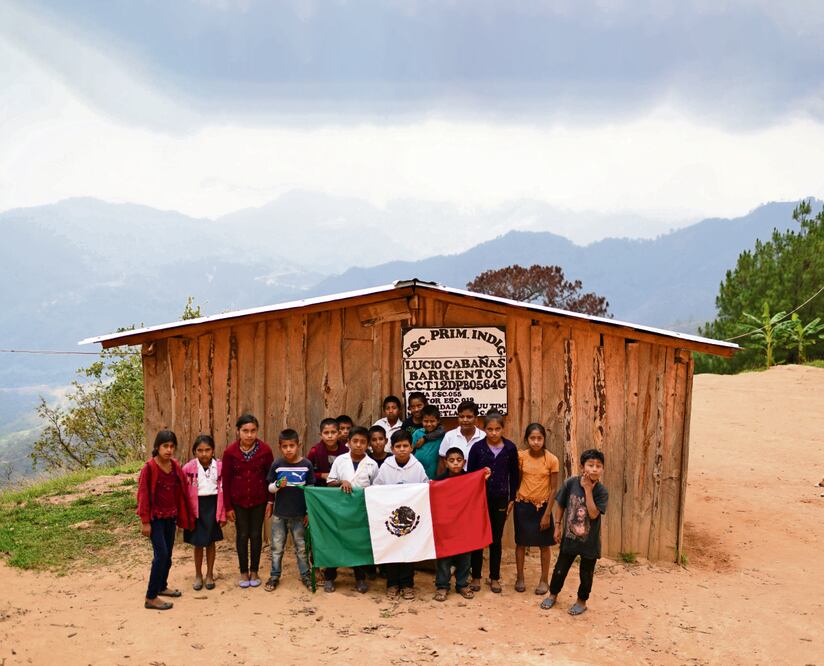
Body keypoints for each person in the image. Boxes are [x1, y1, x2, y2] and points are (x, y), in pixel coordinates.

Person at [540, 449, 609, 616]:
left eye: (598, 466)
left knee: (586, 574)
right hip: (570, 538)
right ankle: (553, 594)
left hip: (589, 542)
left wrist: (587, 490)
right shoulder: (570, 483)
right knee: (560, 569)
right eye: (590, 465)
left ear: (602, 469)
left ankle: (581, 601)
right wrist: (557, 526)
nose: (594, 469)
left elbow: (593, 514)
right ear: (582, 466)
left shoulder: (601, 492)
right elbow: (562, 505)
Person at [136, 430, 194, 610]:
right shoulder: (149, 468)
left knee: (168, 555)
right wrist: (145, 521)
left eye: (172, 446)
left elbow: (182, 489)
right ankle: (150, 597)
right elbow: (143, 495)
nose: (169, 450)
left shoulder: (175, 466)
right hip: (155, 519)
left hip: (171, 516)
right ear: (157, 447)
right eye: (165, 446)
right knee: (160, 556)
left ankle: (162, 586)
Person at [467, 411, 519, 593]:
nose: (494, 433)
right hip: (479, 499)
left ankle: (494, 577)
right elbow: (469, 475)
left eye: (497, 429)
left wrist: (512, 498)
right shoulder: (477, 448)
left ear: (503, 429)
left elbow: (514, 475)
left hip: (501, 498)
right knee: (477, 538)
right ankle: (476, 576)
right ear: (484, 428)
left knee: (495, 539)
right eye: (490, 429)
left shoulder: (510, 449)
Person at [374, 430, 429, 600]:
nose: (402, 449)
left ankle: (407, 584)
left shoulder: (417, 466)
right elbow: (376, 488)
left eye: (405, 446)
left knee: (408, 551)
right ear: (392, 448)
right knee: (392, 550)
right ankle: (392, 583)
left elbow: (425, 487)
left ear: (411, 447)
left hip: (411, 518)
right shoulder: (386, 467)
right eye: (398, 446)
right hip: (390, 518)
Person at [324, 426, 379, 593]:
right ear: (348, 442)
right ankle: (330, 576)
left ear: (368, 444)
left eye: (363, 442)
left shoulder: (372, 464)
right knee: (335, 542)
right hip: (340, 510)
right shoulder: (340, 460)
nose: (358, 445)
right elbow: (329, 481)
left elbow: (376, 489)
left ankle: (360, 578)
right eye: (355, 441)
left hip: (361, 511)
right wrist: (342, 482)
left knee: (358, 544)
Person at [222, 414, 274, 589]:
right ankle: (243, 570)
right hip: (238, 501)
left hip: (259, 500)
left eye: (253, 431)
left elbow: (271, 478)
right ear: (238, 431)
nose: (249, 435)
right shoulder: (230, 453)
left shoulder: (265, 451)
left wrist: (270, 501)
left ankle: (254, 570)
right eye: (245, 431)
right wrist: (228, 506)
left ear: (257, 431)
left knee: (256, 534)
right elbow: (226, 480)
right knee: (242, 535)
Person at [432, 447, 490, 602]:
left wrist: (484, 477)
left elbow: (479, 493)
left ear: (464, 462)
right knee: (444, 557)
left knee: (465, 556)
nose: (455, 463)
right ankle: (442, 586)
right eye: (451, 460)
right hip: (445, 526)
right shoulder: (438, 481)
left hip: (465, 525)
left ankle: (462, 584)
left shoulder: (470, 479)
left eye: (459, 460)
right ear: (445, 462)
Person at [264, 429, 314, 592]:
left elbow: (311, 490)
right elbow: (270, 488)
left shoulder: (306, 465)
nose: (288, 449)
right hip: (280, 514)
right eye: (285, 446)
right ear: (280, 447)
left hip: (300, 515)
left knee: (301, 547)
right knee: (277, 547)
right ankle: (274, 575)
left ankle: (305, 574)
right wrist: (278, 485)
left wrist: (308, 512)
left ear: (298, 445)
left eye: (292, 445)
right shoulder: (277, 465)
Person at [513, 423, 560, 595]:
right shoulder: (521, 457)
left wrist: (547, 514)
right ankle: (520, 577)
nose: (536, 442)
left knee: (544, 545)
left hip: (543, 507)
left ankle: (544, 580)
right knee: (521, 542)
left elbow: (554, 489)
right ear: (527, 440)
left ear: (544, 439)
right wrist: (513, 500)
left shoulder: (551, 459)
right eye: (532, 438)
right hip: (523, 504)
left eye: (539, 438)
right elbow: (517, 481)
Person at [182, 434, 226, 592]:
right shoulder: (188, 468)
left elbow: (223, 491)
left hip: (213, 506)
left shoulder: (220, 467)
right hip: (196, 508)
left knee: (211, 541)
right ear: (195, 452)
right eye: (200, 450)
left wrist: (221, 512)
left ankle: (209, 574)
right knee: (198, 543)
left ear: (213, 450)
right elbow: (183, 490)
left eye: (207, 450)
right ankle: (198, 575)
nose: (204, 453)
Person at [438, 400, 485, 474]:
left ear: (476, 418)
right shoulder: (449, 436)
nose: (465, 420)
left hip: (476, 481)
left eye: (469, 417)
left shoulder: (483, 437)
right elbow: (442, 463)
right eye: (461, 416)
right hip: (454, 481)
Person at [307, 418, 349, 486]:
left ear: (339, 433)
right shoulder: (314, 451)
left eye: (333, 432)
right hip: (320, 488)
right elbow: (307, 472)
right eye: (326, 433)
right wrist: (321, 475)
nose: (330, 436)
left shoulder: (346, 451)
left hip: (341, 488)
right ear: (321, 435)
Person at [411, 404, 445, 479]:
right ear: (421, 421)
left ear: (438, 420)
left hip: (434, 473)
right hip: (417, 473)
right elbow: (411, 450)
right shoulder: (417, 433)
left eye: (432, 421)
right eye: (426, 421)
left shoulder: (442, 436)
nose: (429, 424)